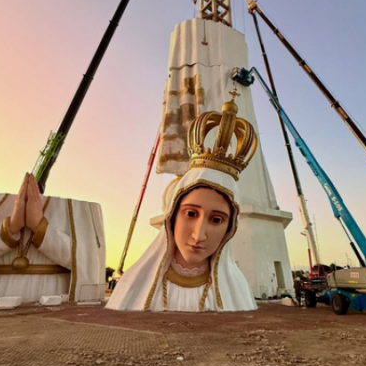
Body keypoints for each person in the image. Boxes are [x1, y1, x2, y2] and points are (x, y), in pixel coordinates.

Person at [106, 90, 258, 312]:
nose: (199, 235)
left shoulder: (237, 291)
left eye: (216, 219)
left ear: (229, 228)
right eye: (190, 213)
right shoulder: (132, 285)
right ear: (172, 215)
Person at [0, 172, 104, 305]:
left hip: (51, 291)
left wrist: (40, 228)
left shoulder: (75, 211)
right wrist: (9, 227)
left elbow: (87, 260)